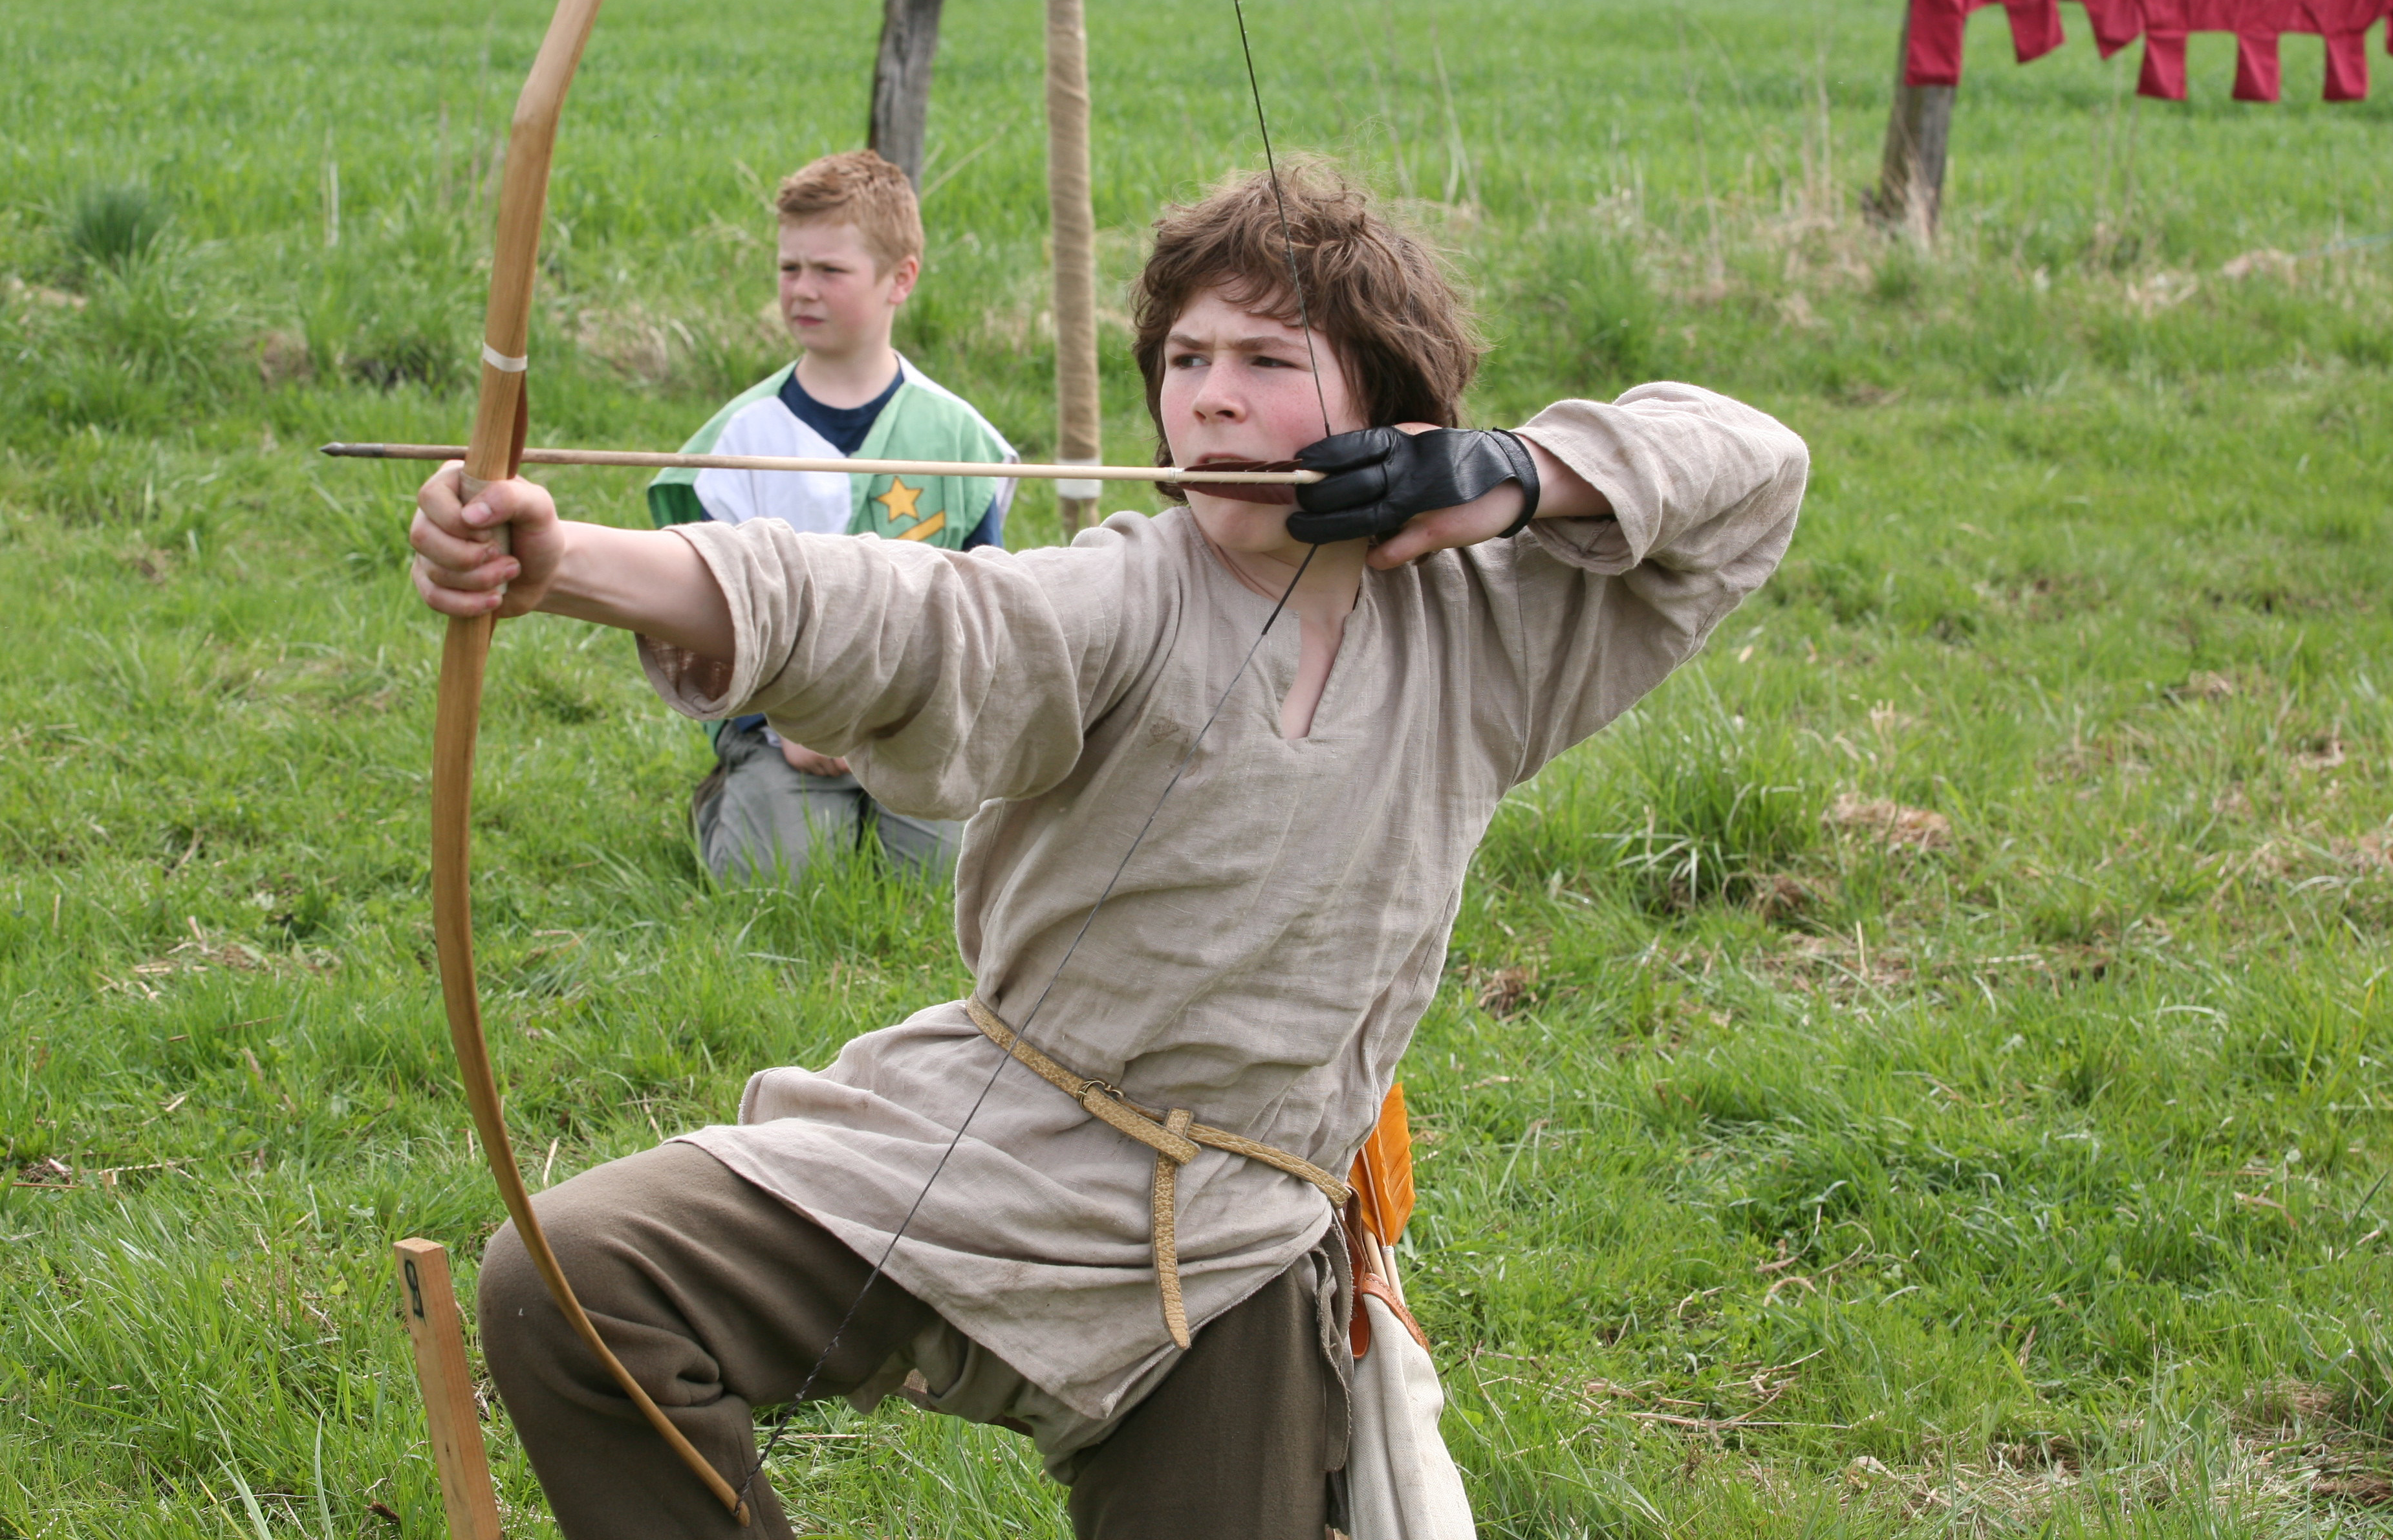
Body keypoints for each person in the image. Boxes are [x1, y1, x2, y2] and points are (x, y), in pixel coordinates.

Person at [411, 166, 1808, 1540]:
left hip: (1237, 1238)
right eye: (1186, 358)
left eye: (1268, 359)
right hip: (989, 1147)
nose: (1210, 397)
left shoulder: (1492, 630)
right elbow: (913, 616)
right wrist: (568, 562)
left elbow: (1753, 470)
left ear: (1393, 412)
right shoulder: (1128, 590)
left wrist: (1515, 474)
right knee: (575, 1278)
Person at [647, 149, 1016, 882]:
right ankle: (731, 791)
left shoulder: (961, 440)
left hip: (913, 724)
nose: (803, 290)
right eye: (790, 268)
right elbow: (702, 622)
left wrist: (922, 719)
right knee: (777, 877)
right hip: (780, 723)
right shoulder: (738, 440)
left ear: (900, 278)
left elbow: (985, 612)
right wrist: (777, 722)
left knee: (949, 879)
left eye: (830, 271)